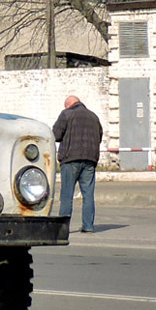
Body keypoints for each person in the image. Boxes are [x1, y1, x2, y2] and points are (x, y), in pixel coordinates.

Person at [52, 95, 103, 232]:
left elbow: (55, 135)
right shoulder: (94, 117)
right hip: (90, 160)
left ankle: (63, 227)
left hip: (70, 160)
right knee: (88, 195)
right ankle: (88, 226)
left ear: (68, 105)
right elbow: (99, 136)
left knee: (67, 195)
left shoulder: (66, 114)